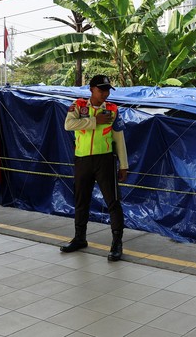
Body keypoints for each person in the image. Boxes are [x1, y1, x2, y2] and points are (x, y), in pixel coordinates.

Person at [61, 75, 129, 260]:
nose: (104, 94)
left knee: (113, 202)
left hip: (105, 160)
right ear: (91, 89)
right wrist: (94, 121)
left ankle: (116, 244)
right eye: (101, 90)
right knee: (81, 201)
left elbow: (119, 139)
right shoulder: (79, 106)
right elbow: (68, 125)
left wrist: (123, 165)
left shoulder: (113, 110)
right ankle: (79, 238)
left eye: (107, 90)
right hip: (82, 160)